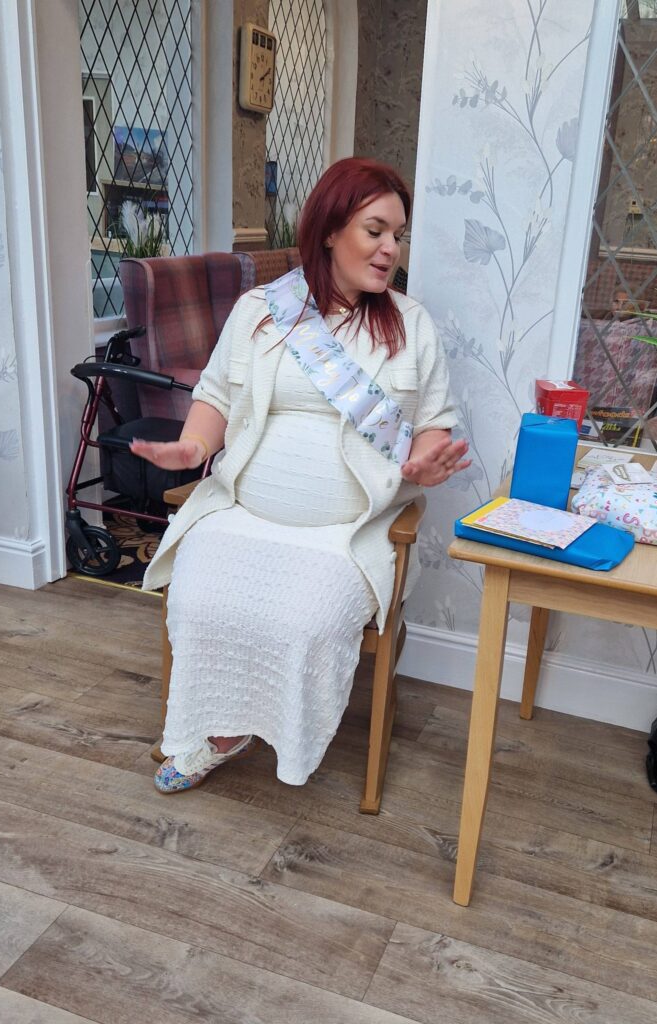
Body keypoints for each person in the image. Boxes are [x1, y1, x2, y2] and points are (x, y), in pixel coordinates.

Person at [130, 158, 470, 793]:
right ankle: (219, 726)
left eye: (398, 236)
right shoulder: (260, 310)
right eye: (375, 231)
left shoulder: (411, 325)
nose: (391, 249)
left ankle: (266, 735)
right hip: (243, 513)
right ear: (330, 230)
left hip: (344, 534)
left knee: (303, 620)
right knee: (198, 600)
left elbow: (433, 423)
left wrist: (425, 460)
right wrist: (192, 445)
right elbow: (216, 395)